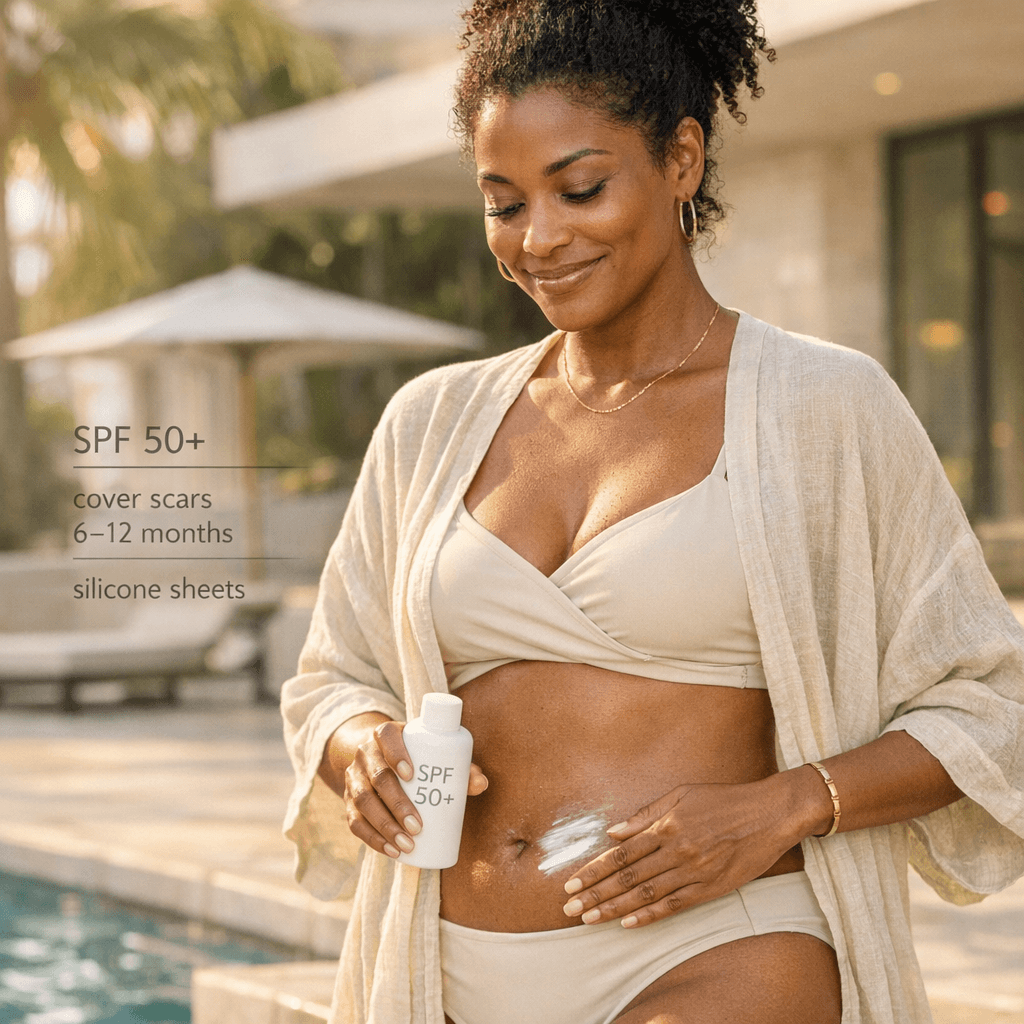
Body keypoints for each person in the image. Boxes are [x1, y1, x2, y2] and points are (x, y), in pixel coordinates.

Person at [281, 2, 1024, 1022]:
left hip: (721, 950)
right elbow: (333, 675)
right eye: (504, 203)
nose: (540, 237)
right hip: (444, 966)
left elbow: (989, 703)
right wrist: (359, 743)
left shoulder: (824, 406)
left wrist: (785, 804)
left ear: (681, 158)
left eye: (580, 188)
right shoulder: (431, 423)